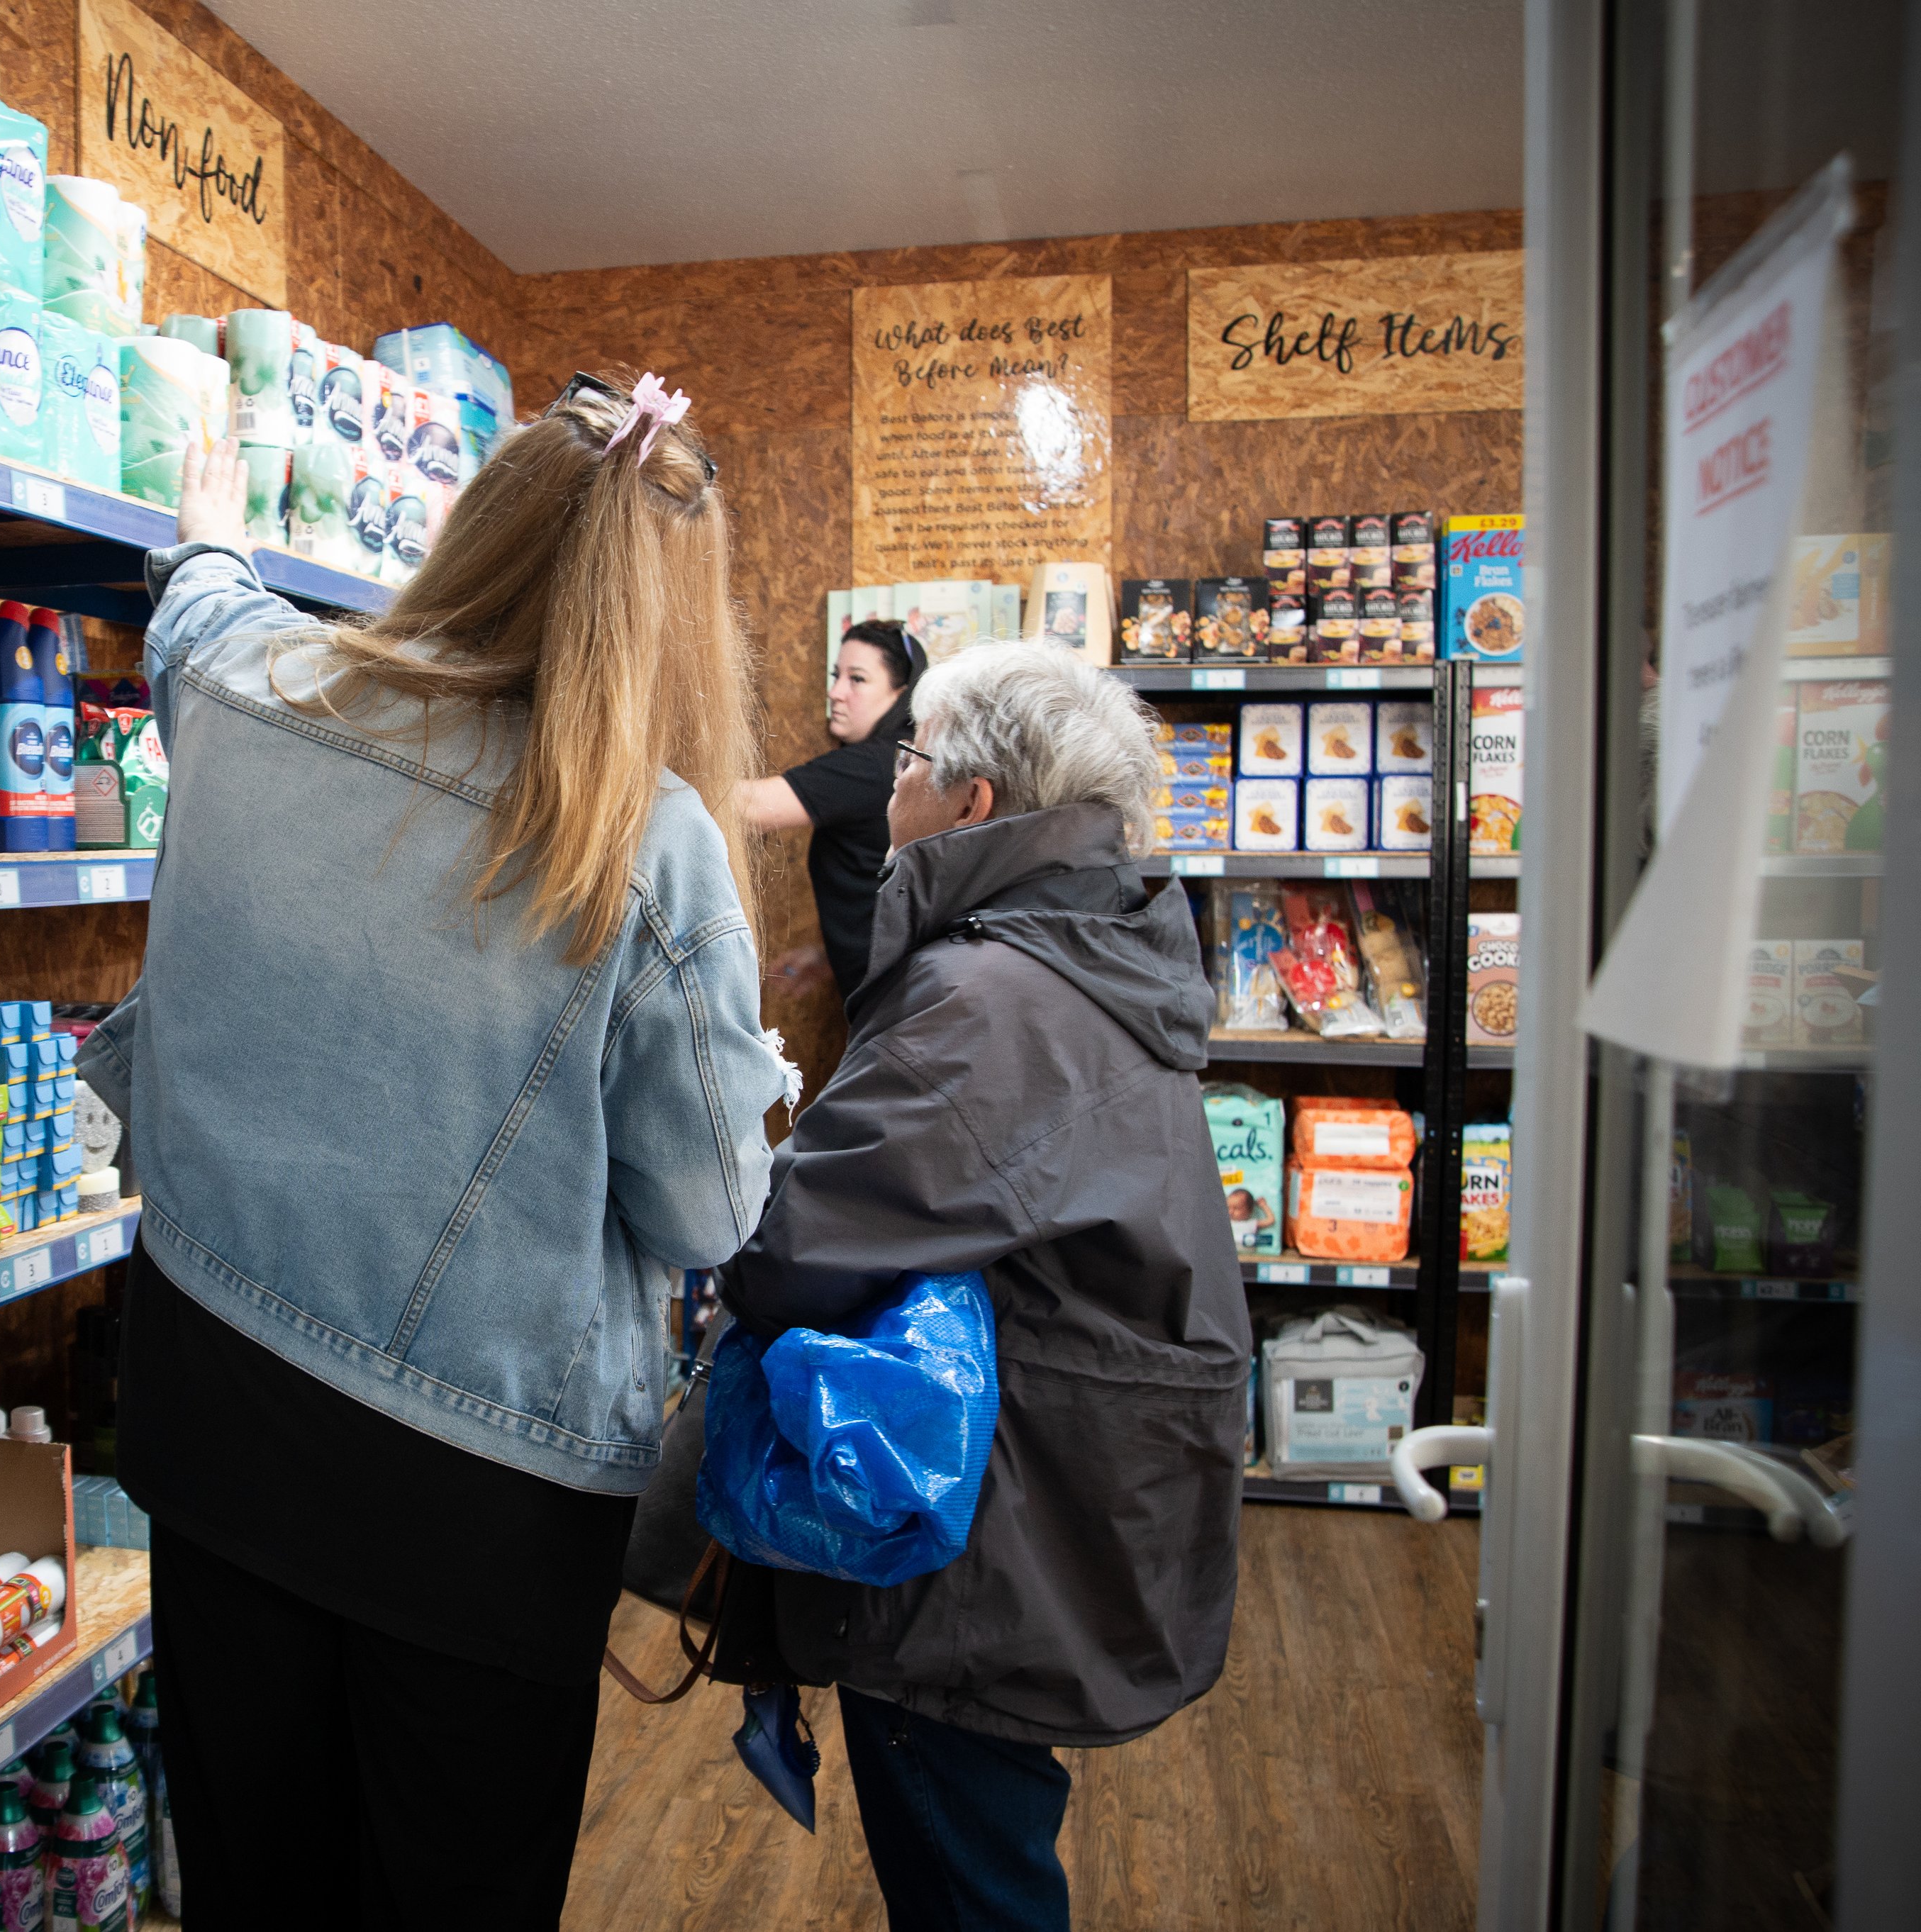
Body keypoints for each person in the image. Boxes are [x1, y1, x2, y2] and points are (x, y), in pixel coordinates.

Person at [79, 372, 791, 1929]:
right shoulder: (642, 839)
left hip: (211, 1402)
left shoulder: (257, 686)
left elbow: (197, 607)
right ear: (678, 618)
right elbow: (703, 1206)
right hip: (478, 1499)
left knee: (252, 1868)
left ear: (472, 531)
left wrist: (204, 531)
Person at [719, 641, 1249, 1932]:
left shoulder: (989, 999)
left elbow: (801, 1245)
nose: (885, 788)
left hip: (993, 1540)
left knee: (967, 1876)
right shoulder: (1073, 944)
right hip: (1062, 1490)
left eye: (906, 761)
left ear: (970, 804)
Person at [734, 618, 925, 1001]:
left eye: (857, 679)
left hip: (896, 1003)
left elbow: (746, 807)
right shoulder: (901, 757)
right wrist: (825, 958)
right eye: (837, 675)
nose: (835, 692)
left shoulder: (876, 765)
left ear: (901, 693)